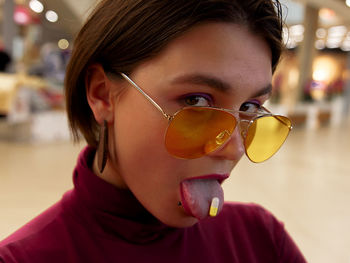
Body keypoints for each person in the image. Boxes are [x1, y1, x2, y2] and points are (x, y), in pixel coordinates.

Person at [0, 0, 306, 262]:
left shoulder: (260, 241)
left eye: (250, 107)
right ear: (102, 94)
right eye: (196, 101)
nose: (234, 148)